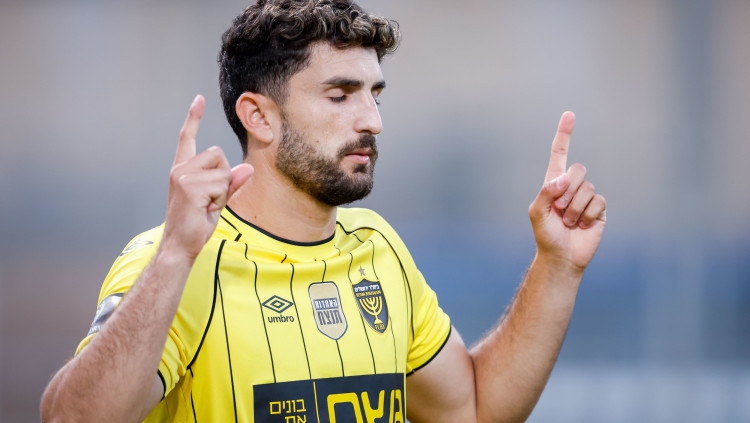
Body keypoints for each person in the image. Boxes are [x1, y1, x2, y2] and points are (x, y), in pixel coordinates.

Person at [41, 0, 607, 422]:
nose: (372, 121)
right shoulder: (176, 260)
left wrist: (557, 265)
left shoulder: (378, 248)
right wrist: (173, 258)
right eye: (339, 95)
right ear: (260, 117)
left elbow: (475, 410)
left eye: (374, 94)